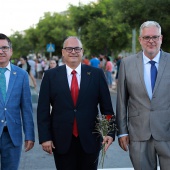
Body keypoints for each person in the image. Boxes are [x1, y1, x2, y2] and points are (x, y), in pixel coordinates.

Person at [37, 36, 115, 170]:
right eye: (69, 49)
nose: (73, 51)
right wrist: (45, 138)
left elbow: (107, 108)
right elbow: (43, 110)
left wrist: (109, 132)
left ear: (82, 51)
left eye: (77, 48)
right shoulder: (50, 76)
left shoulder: (96, 74)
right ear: (63, 52)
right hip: (61, 140)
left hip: (90, 139)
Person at [116, 21, 170, 170]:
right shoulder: (127, 64)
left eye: (155, 36)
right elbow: (121, 100)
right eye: (146, 37)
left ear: (161, 38)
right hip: (138, 133)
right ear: (140, 39)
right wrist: (122, 132)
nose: (151, 41)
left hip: (168, 132)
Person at [0, 33, 35, 170]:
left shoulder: (21, 75)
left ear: (11, 51)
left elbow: (26, 108)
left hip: (12, 135)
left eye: (4, 48)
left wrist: (30, 135)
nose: (1, 51)